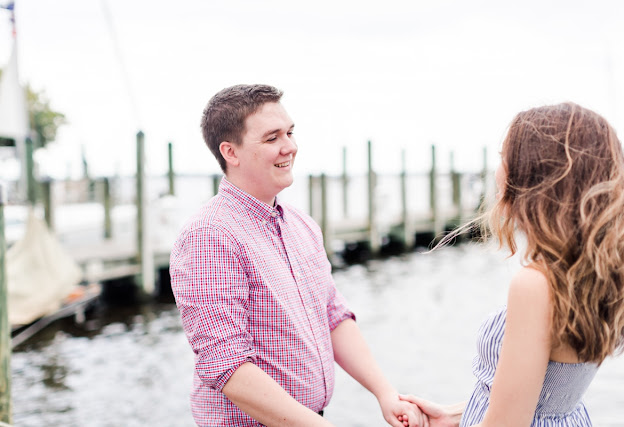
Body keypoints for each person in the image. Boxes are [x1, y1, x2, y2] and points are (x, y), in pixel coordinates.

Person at [170, 84, 426, 426]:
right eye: (272, 137)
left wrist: (385, 394)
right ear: (231, 152)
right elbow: (226, 363)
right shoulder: (210, 235)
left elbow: (333, 316)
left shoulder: (301, 225)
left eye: (289, 133)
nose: (290, 146)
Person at [398, 102, 624, 426]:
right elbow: (550, 396)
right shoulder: (596, 273)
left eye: (503, 156)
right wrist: (451, 415)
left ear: (535, 177)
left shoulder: (536, 285)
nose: (497, 169)